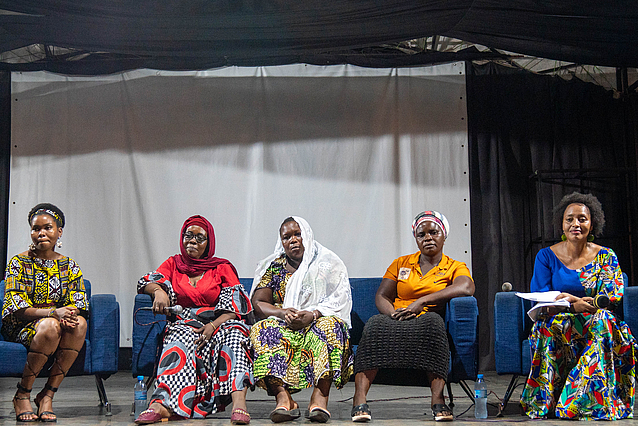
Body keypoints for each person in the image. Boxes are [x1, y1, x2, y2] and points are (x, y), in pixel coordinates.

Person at [520, 192, 636, 420]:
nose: (576, 224)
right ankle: (548, 401)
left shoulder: (606, 256)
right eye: (569, 219)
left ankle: (586, 403)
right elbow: (541, 297)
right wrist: (572, 306)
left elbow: (612, 295)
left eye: (582, 219)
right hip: (558, 319)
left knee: (603, 321)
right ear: (561, 225)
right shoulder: (546, 256)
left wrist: (582, 303)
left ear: (592, 224)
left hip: (597, 319)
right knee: (548, 327)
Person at [351, 210, 474, 423]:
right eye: (421, 234)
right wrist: (392, 313)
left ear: (444, 235)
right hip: (396, 316)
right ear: (416, 239)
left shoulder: (454, 266)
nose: (428, 238)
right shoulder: (402, 263)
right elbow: (382, 295)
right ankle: (359, 399)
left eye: (433, 232)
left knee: (434, 325)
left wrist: (422, 302)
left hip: (426, 317)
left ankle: (438, 399)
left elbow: (466, 286)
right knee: (374, 325)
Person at [134, 215, 254, 425]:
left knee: (236, 335)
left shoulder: (221, 267)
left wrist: (213, 325)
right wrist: (158, 292)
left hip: (220, 321)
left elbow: (237, 307)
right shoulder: (173, 263)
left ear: (209, 243)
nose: (192, 241)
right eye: (188, 236)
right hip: (185, 321)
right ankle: (161, 404)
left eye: (200, 238)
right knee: (178, 338)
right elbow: (150, 281)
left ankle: (239, 403)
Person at [249, 216, 353, 423]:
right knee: (262, 330)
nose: (293, 240)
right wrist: (282, 313)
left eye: (298, 234)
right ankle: (284, 399)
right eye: (287, 237)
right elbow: (259, 303)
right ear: (281, 242)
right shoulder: (273, 266)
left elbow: (339, 298)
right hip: (284, 321)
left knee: (332, 327)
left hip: (317, 319)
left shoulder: (328, 262)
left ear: (307, 235)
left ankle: (319, 398)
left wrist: (313, 314)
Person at [2, 203, 88, 422]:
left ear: (59, 231)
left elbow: (77, 300)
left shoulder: (69, 265)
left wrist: (68, 315)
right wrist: (53, 313)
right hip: (22, 326)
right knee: (50, 325)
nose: (41, 233)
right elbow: (17, 308)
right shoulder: (18, 262)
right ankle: (23, 393)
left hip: (56, 323)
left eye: (47, 228)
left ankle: (47, 394)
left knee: (79, 324)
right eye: (36, 228)